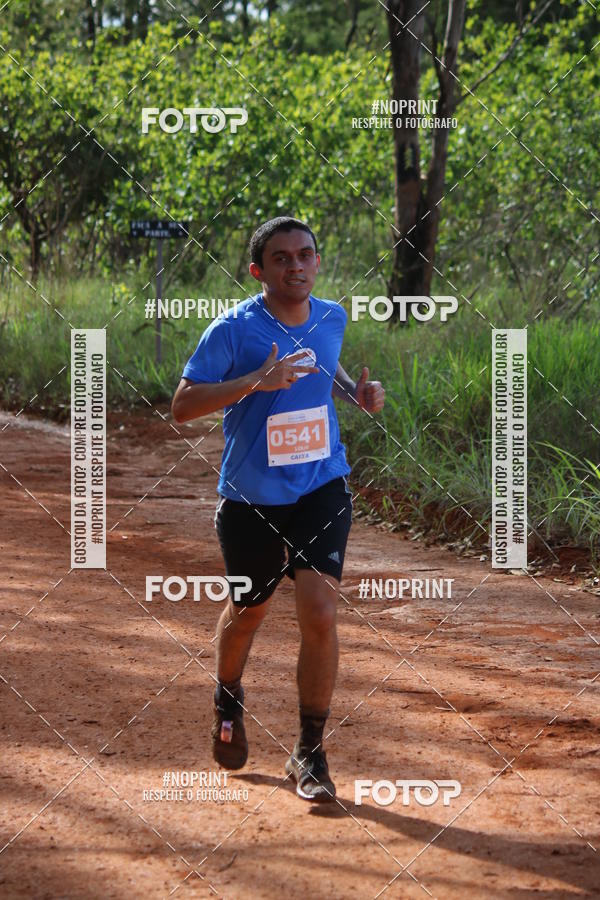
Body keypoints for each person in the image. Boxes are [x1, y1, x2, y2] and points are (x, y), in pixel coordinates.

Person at [171, 216, 385, 802]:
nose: (296, 266)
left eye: (305, 255)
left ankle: (310, 752)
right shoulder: (232, 329)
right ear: (258, 269)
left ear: (317, 261)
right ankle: (228, 697)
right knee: (250, 610)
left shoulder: (332, 316)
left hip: (322, 485)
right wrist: (254, 382)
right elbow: (182, 407)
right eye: (282, 258)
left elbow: (325, 369)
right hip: (251, 497)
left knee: (319, 613)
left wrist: (355, 393)